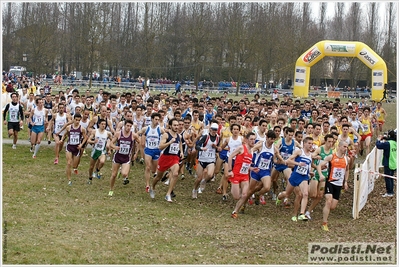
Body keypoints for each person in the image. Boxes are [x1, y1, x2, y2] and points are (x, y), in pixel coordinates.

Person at [276, 136, 314, 221]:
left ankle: (301, 214)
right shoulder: (299, 152)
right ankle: (279, 196)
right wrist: (298, 164)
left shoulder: (310, 155)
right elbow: (289, 160)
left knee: (305, 194)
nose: (311, 145)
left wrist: (312, 171)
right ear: (304, 144)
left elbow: (308, 166)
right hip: (295, 175)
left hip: (304, 177)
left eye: (312, 143)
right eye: (309, 143)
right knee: (287, 194)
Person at [318, 140, 350, 231]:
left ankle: (325, 211)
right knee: (328, 201)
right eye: (344, 146)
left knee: (332, 206)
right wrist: (320, 175)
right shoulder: (331, 157)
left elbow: (347, 170)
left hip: (339, 185)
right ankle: (324, 223)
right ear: (339, 147)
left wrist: (346, 181)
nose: (345, 149)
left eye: (347, 147)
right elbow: (319, 165)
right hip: (330, 182)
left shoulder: (347, 159)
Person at [150, 118, 184, 202]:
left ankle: (168, 194)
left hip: (174, 158)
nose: (177, 127)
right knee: (158, 177)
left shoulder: (179, 136)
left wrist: (181, 152)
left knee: (175, 174)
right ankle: (153, 187)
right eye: (175, 125)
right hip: (165, 157)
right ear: (170, 126)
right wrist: (169, 142)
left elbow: (180, 144)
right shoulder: (166, 135)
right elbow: (160, 146)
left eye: (177, 125)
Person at [229, 132, 258, 218]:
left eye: (254, 139)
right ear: (246, 140)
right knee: (236, 197)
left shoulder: (252, 151)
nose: (253, 141)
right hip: (236, 174)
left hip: (245, 176)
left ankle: (235, 211)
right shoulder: (241, 148)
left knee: (245, 195)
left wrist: (251, 169)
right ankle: (233, 189)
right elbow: (230, 157)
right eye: (251, 139)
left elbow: (246, 164)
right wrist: (230, 170)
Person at [108, 119, 140, 196]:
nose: (128, 127)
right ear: (124, 126)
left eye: (130, 126)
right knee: (113, 175)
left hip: (126, 158)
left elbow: (140, 143)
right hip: (117, 157)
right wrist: (115, 147)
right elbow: (111, 143)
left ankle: (121, 170)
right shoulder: (118, 134)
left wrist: (136, 153)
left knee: (125, 174)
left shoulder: (133, 135)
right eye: (127, 126)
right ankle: (111, 189)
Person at [137, 113, 165, 192]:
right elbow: (137, 133)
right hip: (148, 150)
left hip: (156, 150)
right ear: (152, 119)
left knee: (153, 170)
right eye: (156, 119)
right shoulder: (146, 128)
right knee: (148, 167)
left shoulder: (160, 129)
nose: (157, 121)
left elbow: (167, 135)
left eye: (158, 120)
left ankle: (153, 175)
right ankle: (147, 185)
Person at [192, 123, 221, 199]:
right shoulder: (206, 137)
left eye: (216, 130)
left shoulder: (218, 138)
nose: (214, 131)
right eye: (213, 129)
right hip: (202, 159)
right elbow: (197, 146)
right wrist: (202, 148)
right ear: (210, 129)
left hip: (211, 159)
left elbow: (218, 148)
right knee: (199, 178)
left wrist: (217, 148)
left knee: (210, 175)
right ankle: (194, 190)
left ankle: (204, 181)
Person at [60, 113, 87, 185]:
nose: (77, 121)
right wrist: (62, 140)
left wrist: (81, 144)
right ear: (73, 119)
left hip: (77, 148)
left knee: (74, 165)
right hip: (69, 146)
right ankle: (69, 180)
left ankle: (75, 168)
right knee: (69, 162)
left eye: (79, 120)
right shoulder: (69, 127)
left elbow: (85, 138)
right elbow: (65, 134)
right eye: (76, 120)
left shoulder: (82, 129)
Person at [86, 118, 113, 184]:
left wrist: (109, 148)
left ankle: (97, 170)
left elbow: (112, 140)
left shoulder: (108, 133)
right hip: (95, 150)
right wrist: (93, 141)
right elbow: (88, 140)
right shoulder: (95, 131)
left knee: (102, 162)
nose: (103, 125)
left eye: (105, 124)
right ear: (99, 124)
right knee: (91, 167)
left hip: (102, 151)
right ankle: (90, 178)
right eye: (102, 124)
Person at [376, 130, 397, 197]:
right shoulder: (395, 143)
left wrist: (378, 140)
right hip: (394, 162)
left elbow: (379, 146)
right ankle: (391, 191)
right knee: (391, 177)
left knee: (388, 178)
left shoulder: (388, 144)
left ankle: (389, 192)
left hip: (388, 163)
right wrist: (384, 138)